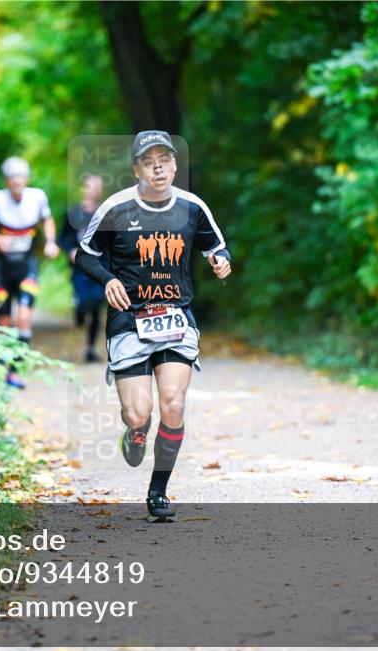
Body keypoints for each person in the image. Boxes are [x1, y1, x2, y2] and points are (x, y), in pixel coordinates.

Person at [74, 131, 232, 522]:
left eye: (165, 159)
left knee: (173, 405)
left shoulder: (193, 208)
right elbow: (85, 254)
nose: (158, 167)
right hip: (130, 318)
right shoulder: (116, 207)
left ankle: (158, 492)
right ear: (137, 169)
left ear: (175, 165)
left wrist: (221, 262)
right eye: (149, 161)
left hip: (177, 317)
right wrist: (107, 279)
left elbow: (217, 247)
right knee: (137, 412)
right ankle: (135, 431)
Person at [0, 156, 59, 389]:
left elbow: (48, 219)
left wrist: (51, 242)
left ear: (27, 179)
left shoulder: (37, 197)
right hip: (2, 268)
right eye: (12, 178)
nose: (16, 182)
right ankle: (1, 365)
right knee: (4, 322)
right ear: (6, 181)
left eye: (20, 177)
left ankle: (15, 370)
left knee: (24, 317)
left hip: (26, 265)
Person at [58, 174, 109, 363]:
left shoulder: (106, 213)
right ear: (83, 188)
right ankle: (78, 312)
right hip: (79, 267)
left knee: (96, 306)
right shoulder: (73, 213)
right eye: (90, 186)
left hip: (101, 265)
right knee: (84, 303)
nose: (94, 189)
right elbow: (62, 238)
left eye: (98, 186)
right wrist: (70, 249)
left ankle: (90, 348)